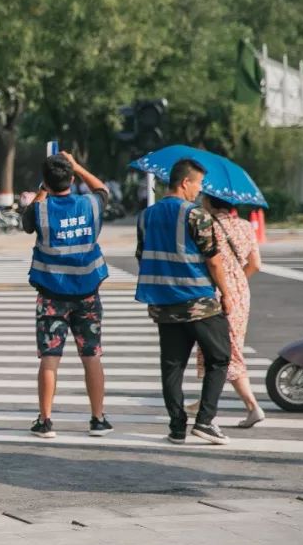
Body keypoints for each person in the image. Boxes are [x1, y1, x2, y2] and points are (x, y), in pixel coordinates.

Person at [136, 159, 233, 446]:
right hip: (198, 302)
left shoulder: (146, 217)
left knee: (172, 366)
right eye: (198, 184)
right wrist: (226, 293)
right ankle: (205, 421)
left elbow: (142, 255)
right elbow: (214, 262)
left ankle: (177, 427)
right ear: (184, 183)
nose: (199, 191)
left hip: (164, 303)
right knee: (219, 358)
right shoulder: (196, 216)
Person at [22, 152, 112, 439]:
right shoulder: (90, 204)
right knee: (92, 356)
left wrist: (42, 190)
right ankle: (98, 419)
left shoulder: (42, 210)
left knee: (50, 358)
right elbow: (103, 189)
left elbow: (26, 222)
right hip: (87, 294)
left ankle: (45, 421)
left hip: (51, 296)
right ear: (72, 179)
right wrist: (78, 166)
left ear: (46, 182)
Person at [191, 196, 265, 427]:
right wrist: (237, 280)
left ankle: (253, 406)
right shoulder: (244, 226)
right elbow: (255, 264)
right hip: (241, 291)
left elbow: (209, 262)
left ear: (211, 203)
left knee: (226, 351)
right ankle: (204, 400)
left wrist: (225, 286)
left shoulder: (208, 226)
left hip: (218, 293)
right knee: (225, 346)